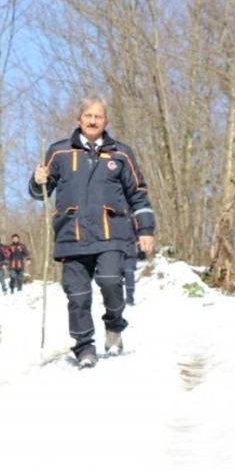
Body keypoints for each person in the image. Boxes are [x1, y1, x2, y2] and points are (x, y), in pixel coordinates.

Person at [30, 96, 155, 368]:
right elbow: (41, 192)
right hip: (71, 235)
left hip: (112, 233)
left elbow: (138, 193)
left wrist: (146, 229)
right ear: (79, 119)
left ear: (105, 122)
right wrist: (36, 179)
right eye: (88, 115)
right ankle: (84, 347)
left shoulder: (121, 154)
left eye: (98, 116)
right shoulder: (59, 152)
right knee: (77, 296)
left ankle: (114, 324)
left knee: (111, 281)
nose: (92, 120)